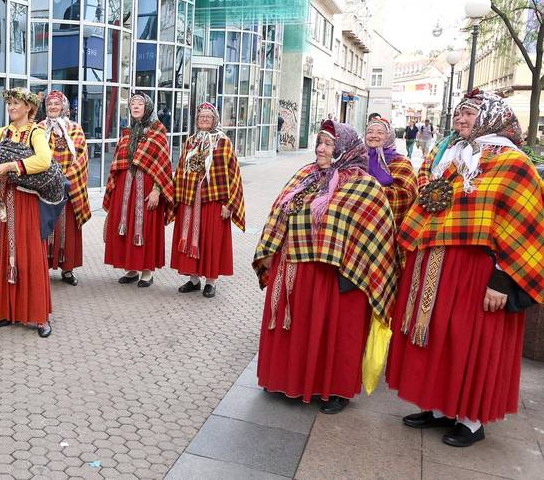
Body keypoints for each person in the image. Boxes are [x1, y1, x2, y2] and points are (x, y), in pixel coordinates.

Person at [387, 90, 544, 447]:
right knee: (440, 336)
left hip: (477, 272)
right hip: (436, 266)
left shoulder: (512, 163)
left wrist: (502, 280)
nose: (461, 120)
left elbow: (524, 224)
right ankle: (440, 407)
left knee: (471, 341)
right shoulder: (450, 155)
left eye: (470, 114)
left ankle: (471, 420)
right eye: (459, 114)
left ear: (491, 117)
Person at [253, 120, 399, 414]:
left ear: (344, 148)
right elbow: (278, 212)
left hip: (337, 277)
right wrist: (269, 249)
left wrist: (354, 269)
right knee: (295, 328)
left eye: (329, 144)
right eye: (319, 142)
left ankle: (336, 389)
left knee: (333, 332)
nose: (321, 148)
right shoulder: (305, 175)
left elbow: (377, 236)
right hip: (294, 268)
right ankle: (284, 379)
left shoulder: (364, 185)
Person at [0, 88, 53, 338]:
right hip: (0, 197)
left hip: (24, 199)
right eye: (9, 103)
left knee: (28, 253)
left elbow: (44, 161)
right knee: (0, 250)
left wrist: (11, 165)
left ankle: (38, 315)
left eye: (16, 103)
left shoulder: (37, 133)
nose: (11, 107)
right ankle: (5, 309)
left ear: (29, 108)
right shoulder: (2, 133)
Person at [172, 103, 245, 298]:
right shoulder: (190, 142)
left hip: (213, 201)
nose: (204, 119)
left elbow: (233, 174)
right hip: (189, 200)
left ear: (215, 120)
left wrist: (229, 204)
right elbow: (180, 170)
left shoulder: (223, 142)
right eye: (201, 116)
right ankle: (194, 280)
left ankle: (210, 281)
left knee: (210, 241)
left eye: (208, 116)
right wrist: (177, 197)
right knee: (189, 239)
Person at [103, 92, 174, 287]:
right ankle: (132, 268)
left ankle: (146, 272)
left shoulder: (158, 130)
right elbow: (119, 160)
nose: (135, 106)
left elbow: (164, 163)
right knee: (126, 225)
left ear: (148, 107)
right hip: (125, 187)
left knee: (146, 226)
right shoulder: (127, 131)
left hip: (147, 187)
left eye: (140, 104)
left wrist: (157, 191)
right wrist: (113, 187)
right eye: (132, 103)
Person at [40, 90, 90, 285]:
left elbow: (82, 157)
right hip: (45, 187)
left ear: (64, 107)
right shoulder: (40, 128)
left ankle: (67, 270)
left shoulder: (75, 128)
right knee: (44, 226)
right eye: (50, 104)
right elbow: (35, 154)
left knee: (67, 228)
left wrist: (65, 180)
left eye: (56, 104)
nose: (53, 107)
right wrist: (47, 179)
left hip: (68, 187)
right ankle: (42, 265)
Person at [365, 116, 418, 228]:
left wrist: (366, 192)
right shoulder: (359, 159)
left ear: (389, 137)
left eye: (380, 132)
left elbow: (406, 195)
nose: (374, 135)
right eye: (370, 132)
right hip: (361, 221)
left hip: (387, 224)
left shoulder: (401, 162)